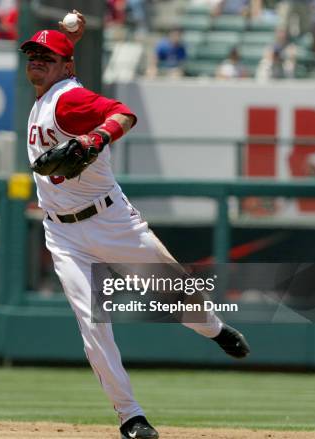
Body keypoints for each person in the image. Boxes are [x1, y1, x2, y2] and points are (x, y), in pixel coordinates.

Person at [20, 14, 251, 439]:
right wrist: (65, 37)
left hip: (111, 222)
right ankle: (131, 416)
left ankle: (215, 330)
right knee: (92, 325)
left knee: (177, 298)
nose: (36, 59)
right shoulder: (47, 93)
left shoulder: (69, 99)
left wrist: (95, 139)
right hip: (64, 235)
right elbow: (59, 51)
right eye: (32, 54)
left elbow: (123, 113)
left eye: (45, 56)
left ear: (65, 66)